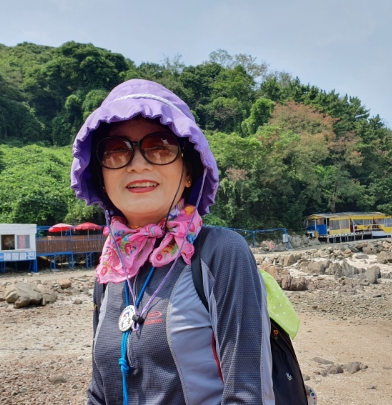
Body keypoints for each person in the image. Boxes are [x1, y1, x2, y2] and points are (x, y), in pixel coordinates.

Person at [71, 79, 274, 404]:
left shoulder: (220, 254)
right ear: (102, 178)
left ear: (189, 170)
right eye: (116, 150)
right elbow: (99, 391)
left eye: (160, 146)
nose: (138, 164)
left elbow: (248, 394)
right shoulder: (111, 270)